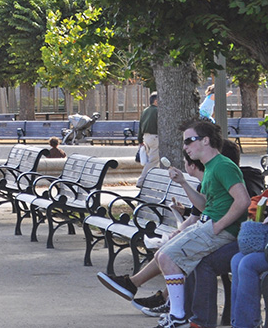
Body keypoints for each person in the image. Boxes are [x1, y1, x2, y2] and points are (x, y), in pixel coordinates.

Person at [97, 119, 250, 328]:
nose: (185, 147)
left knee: (168, 257)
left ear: (206, 140)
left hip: (217, 228)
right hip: (207, 224)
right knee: (162, 255)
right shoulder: (211, 167)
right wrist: (183, 182)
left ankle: (177, 315)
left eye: (189, 141)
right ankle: (176, 313)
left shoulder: (223, 165)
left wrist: (219, 226)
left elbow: (243, 201)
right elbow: (205, 206)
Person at [138, 92, 160, 187]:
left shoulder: (145, 110)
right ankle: (141, 181)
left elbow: (140, 126)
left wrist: (140, 141)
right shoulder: (157, 111)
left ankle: (153, 182)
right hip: (154, 137)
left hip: (146, 138)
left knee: (152, 160)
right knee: (153, 161)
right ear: (156, 101)